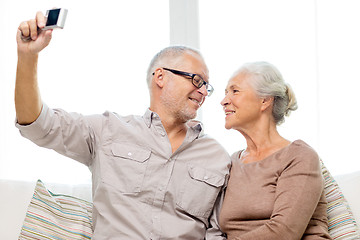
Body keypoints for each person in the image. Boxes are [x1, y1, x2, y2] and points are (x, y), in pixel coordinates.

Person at [15, 11, 230, 239]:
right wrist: (27, 57)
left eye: (207, 85)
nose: (204, 91)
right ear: (160, 77)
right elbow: (38, 125)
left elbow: (217, 233)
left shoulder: (218, 158)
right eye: (197, 80)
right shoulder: (107, 131)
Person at [219, 61, 332, 240]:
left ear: (264, 100)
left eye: (235, 91)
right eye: (225, 93)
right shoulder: (231, 162)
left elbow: (284, 231)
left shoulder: (298, 156)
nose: (224, 101)